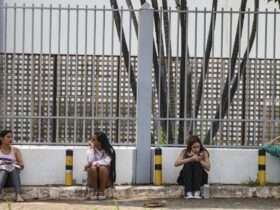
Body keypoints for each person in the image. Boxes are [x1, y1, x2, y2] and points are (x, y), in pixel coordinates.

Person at [84, 131, 116, 200]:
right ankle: (95, 192)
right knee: (92, 169)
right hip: (93, 178)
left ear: (100, 142)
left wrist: (95, 164)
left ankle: (101, 192)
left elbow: (107, 161)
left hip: (106, 178)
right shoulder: (90, 150)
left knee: (103, 168)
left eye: (93, 140)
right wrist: (92, 149)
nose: (91, 141)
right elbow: (90, 161)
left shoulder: (109, 150)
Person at [0, 130, 24, 202]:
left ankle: (18, 195)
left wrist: (14, 163)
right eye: (8, 137)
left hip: (12, 178)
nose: (10, 139)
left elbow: (22, 165)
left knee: (13, 168)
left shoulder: (16, 150)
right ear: (1, 138)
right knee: (4, 170)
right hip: (1, 177)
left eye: (11, 137)